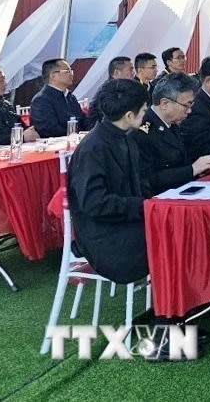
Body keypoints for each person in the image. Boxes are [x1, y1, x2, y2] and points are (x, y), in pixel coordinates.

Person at [66, 79, 152, 285]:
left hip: (128, 222)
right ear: (129, 116)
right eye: (143, 110)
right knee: (176, 237)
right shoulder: (93, 148)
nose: (146, 114)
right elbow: (94, 203)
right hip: (106, 236)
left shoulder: (125, 137)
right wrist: (143, 205)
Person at [130, 73, 210, 196]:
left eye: (191, 105)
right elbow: (149, 180)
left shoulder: (171, 123)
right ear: (165, 104)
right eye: (186, 105)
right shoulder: (142, 131)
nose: (189, 111)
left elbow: (180, 162)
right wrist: (192, 169)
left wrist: (201, 168)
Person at [30, 59, 90, 137]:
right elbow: (49, 130)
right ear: (53, 76)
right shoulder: (41, 100)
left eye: (71, 71)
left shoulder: (70, 97)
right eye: (67, 71)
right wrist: (76, 135)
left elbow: (83, 121)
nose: (71, 74)